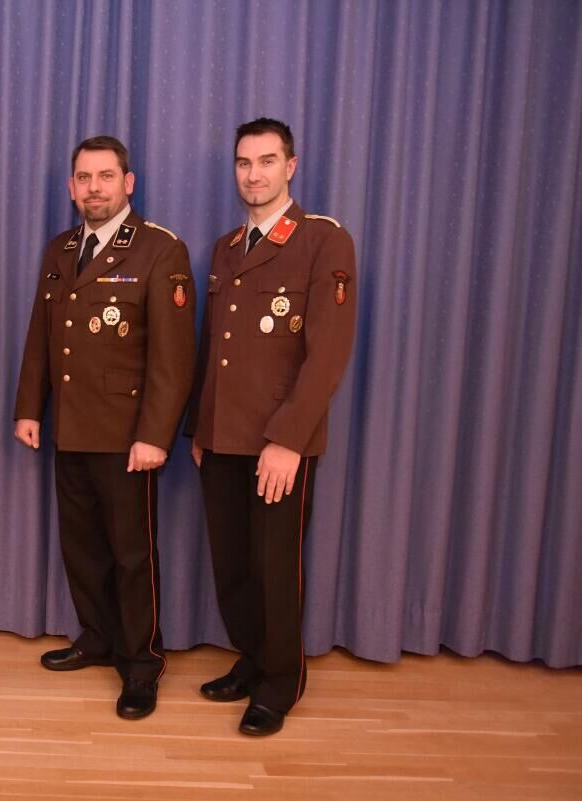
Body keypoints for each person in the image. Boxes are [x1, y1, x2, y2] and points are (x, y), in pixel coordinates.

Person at [184, 117, 357, 736]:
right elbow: (214, 348)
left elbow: (327, 354)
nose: (253, 174)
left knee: (275, 567)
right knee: (232, 565)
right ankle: (253, 659)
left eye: (266, 161)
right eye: (243, 163)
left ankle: (281, 682)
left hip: (277, 442)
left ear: (291, 166)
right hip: (221, 437)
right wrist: (199, 429)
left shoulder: (322, 240)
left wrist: (288, 440)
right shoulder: (226, 247)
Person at [13, 136, 195, 719]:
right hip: (69, 426)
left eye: (106, 176)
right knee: (83, 548)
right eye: (84, 178)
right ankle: (97, 636)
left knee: (131, 557)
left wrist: (156, 435)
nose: (94, 188)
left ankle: (141, 664)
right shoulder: (61, 248)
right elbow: (42, 335)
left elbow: (173, 358)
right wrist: (28, 406)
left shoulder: (160, 249)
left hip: (126, 436)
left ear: (128, 183)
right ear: (72, 187)